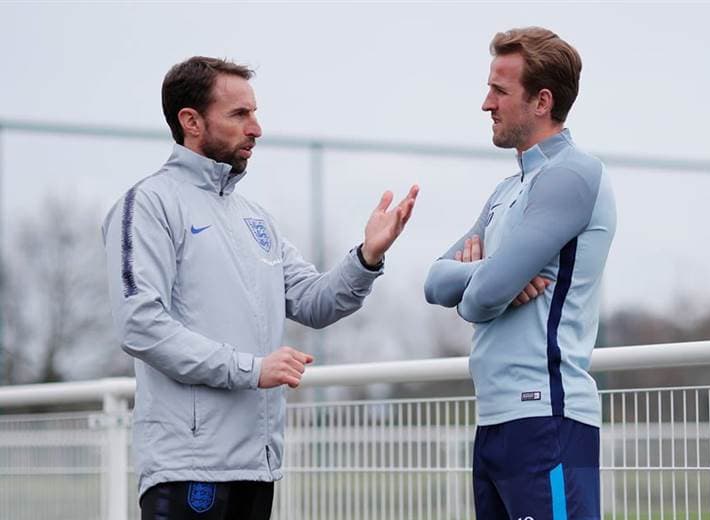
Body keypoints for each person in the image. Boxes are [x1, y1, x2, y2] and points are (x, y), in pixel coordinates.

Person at [102, 56, 418, 520]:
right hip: (190, 468)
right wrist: (251, 369)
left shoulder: (254, 217)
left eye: (254, 112)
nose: (257, 128)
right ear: (190, 121)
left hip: (258, 467)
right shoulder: (147, 205)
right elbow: (140, 325)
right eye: (239, 114)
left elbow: (314, 302)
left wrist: (367, 256)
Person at [424, 27, 616, 519]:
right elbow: (433, 282)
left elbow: (480, 299)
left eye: (499, 90)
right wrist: (496, 274)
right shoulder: (508, 189)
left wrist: (483, 284)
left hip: (547, 419)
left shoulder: (572, 174)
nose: (486, 103)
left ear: (541, 101)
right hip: (494, 420)